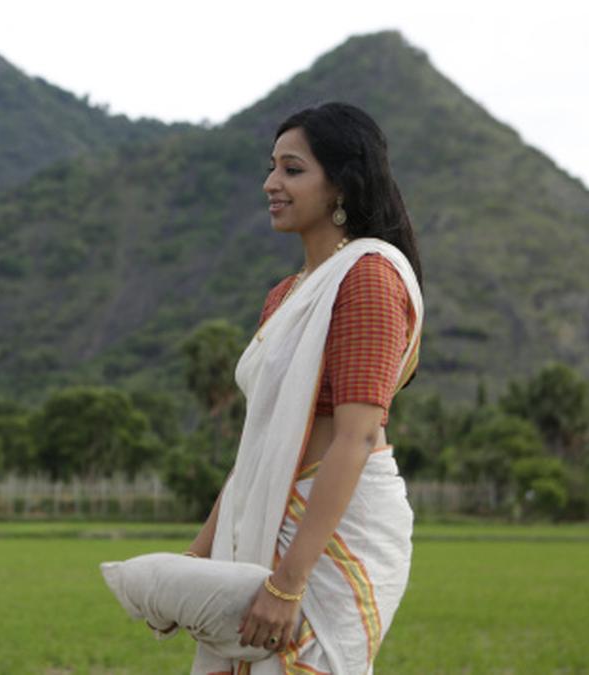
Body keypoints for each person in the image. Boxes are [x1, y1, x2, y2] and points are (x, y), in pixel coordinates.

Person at [185, 102, 424, 675]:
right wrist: (194, 560)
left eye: (292, 170)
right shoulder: (286, 295)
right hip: (264, 513)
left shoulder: (368, 277)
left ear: (341, 184)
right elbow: (257, 451)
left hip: (332, 536)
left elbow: (356, 437)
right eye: (271, 168)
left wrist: (288, 583)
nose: (271, 183)